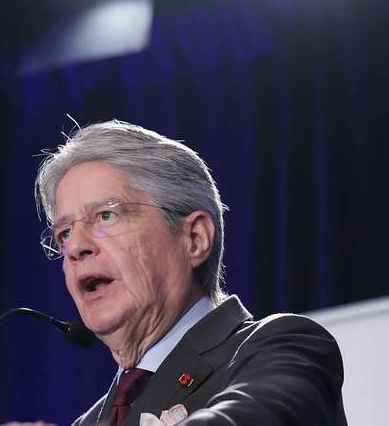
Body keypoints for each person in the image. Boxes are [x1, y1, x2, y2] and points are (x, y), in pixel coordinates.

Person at [34, 120, 347, 426]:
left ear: (194, 238)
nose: (75, 247)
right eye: (64, 233)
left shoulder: (283, 347)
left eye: (106, 216)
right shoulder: (89, 421)